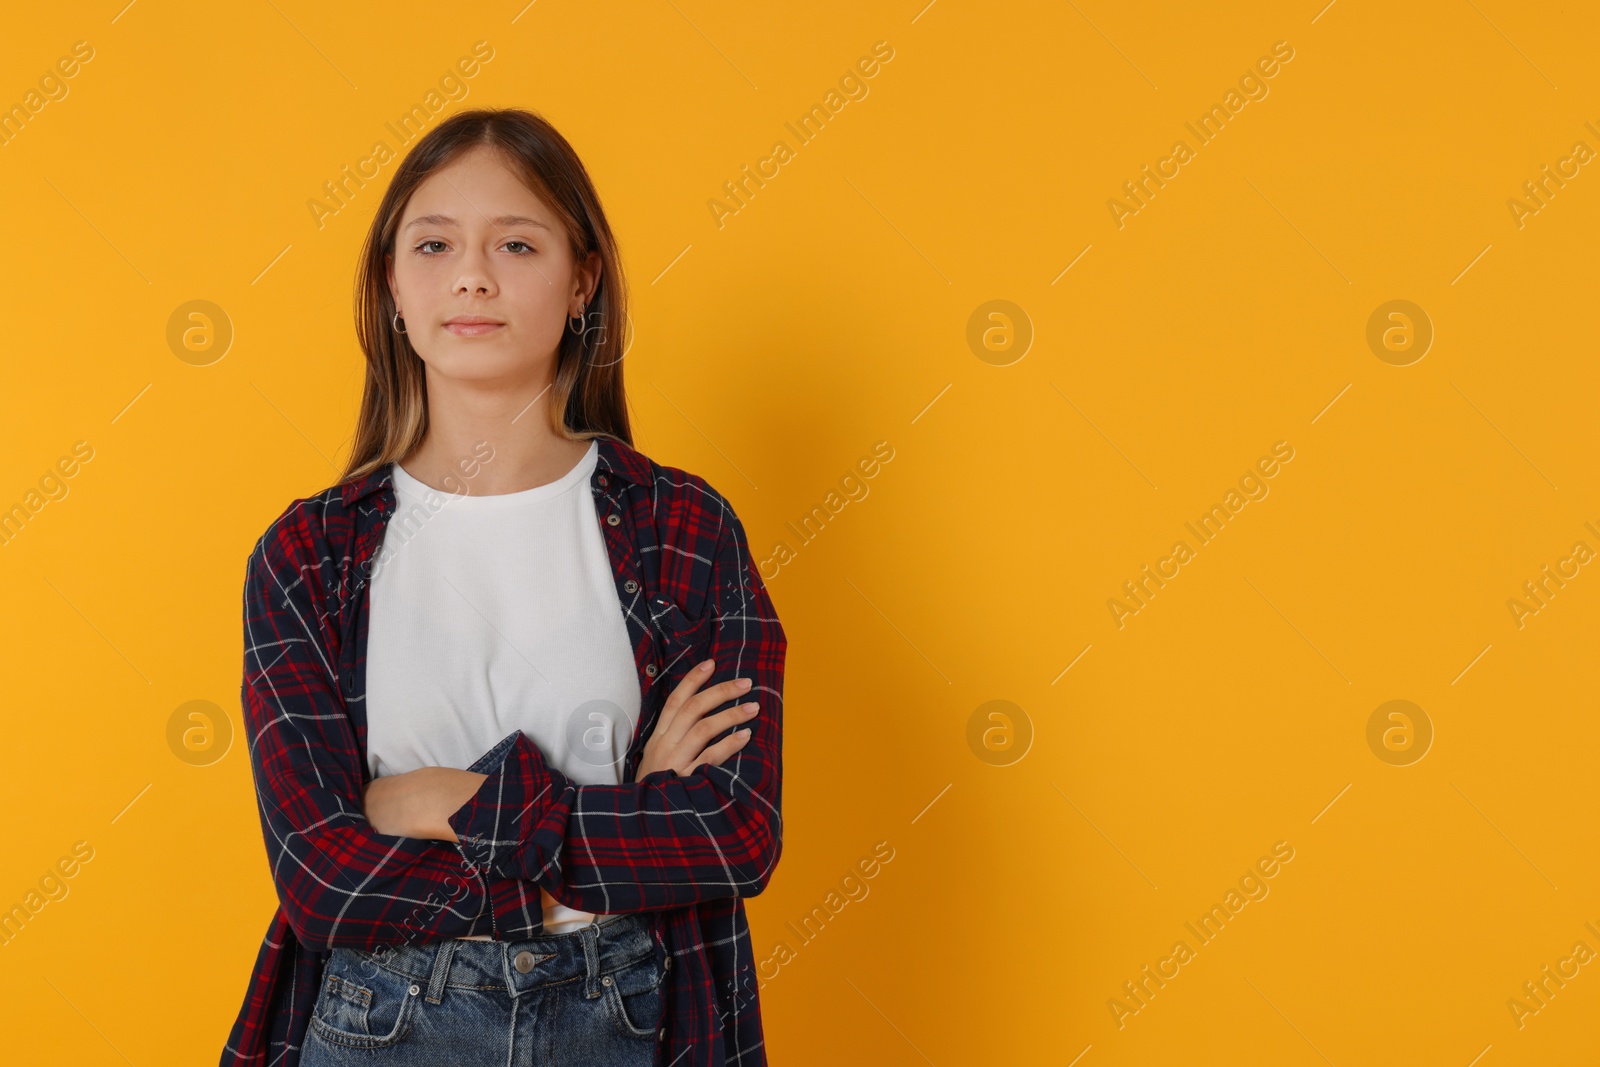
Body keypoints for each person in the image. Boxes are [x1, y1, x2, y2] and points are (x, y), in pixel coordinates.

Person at [219, 107, 786, 1067]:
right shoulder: (308, 555)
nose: (473, 274)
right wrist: (625, 813)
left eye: (516, 243)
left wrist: (430, 798)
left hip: (634, 1014)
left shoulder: (683, 529)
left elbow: (734, 832)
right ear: (392, 288)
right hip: (378, 1021)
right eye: (434, 243)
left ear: (582, 283)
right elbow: (323, 881)